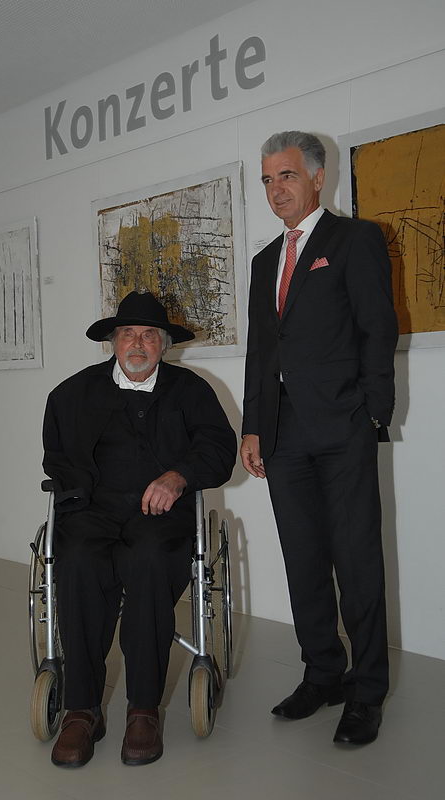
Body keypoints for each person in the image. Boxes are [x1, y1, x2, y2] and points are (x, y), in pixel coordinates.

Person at [241, 131, 398, 745]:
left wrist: (374, 414)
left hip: (342, 426)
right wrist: (254, 426)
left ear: (315, 176)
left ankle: (367, 690)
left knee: (357, 562)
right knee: (303, 559)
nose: (275, 190)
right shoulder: (264, 262)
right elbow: (261, 352)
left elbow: (378, 329)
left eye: (285, 176)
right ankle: (322, 673)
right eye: (267, 180)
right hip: (283, 434)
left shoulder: (354, 240)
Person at [42, 290, 236, 767]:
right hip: (94, 511)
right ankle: (82, 710)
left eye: (149, 335)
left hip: (161, 516)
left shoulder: (191, 391)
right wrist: (79, 498)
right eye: (128, 333)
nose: (137, 343)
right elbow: (57, 457)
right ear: (113, 341)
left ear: (164, 345)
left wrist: (179, 476)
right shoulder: (71, 394)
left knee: (149, 562)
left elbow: (217, 448)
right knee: (78, 560)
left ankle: (143, 709)